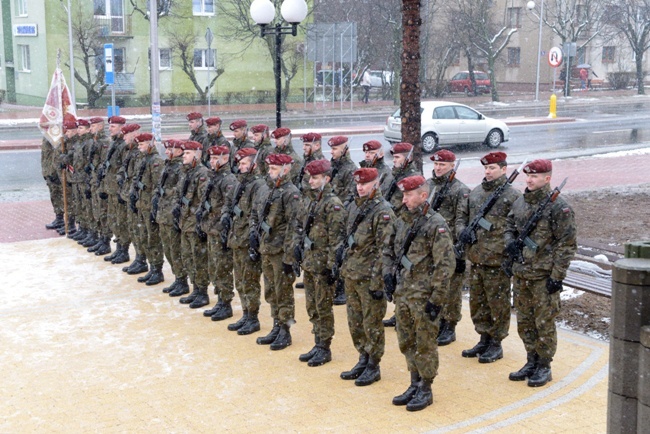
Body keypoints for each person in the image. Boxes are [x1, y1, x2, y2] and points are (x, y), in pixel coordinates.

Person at [505, 159, 577, 387]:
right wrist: (510, 244)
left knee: (543, 323)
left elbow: (566, 245)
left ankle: (544, 365)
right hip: (522, 273)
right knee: (525, 321)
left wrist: (557, 276)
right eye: (528, 176)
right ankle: (531, 360)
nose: (529, 180)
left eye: (535, 176)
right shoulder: (521, 201)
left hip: (543, 276)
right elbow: (509, 225)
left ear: (547, 178)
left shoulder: (558, 207)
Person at [392, 175, 455, 411]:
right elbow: (393, 249)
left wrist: (437, 299)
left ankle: (426, 388)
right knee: (406, 340)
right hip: (404, 292)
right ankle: (414, 381)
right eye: (403, 195)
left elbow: (445, 265)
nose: (404, 199)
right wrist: (389, 276)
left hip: (423, 295)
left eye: (408, 195)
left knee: (425, 343)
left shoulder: (435, 224)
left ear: (423, 195)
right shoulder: (403, 219)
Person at [459, 151, 522, 363]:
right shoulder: (476, 193)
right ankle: (483, 337)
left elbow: (515, 227)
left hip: (497, 259)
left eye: (493, 168)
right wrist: (463, 231)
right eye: (486, 168)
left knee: (498, 303)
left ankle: (496, 343)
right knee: (478, 302)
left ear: (504, 169)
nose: (488, 171)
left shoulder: (512, 196)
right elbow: (463, 217)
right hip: (477, 257)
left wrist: (505, 249)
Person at [339, 168, 395, 387]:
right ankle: (362, 358)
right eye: (358, 184)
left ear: (376, 184)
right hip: (352, 274)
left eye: (365, 183)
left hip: (369, 278)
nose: (360, 187)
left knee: (372, 323)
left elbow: (385, 250)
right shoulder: (354, 206)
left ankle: (374, 364)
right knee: (355, 321)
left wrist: (378, 282)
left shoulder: (383, 211)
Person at [295, 159, 347, 366]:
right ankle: (317, 342)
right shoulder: (311, 200)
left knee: (323, 307)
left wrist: (331, 267)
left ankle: (325, 346)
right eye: (310, 177)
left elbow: (337, 240)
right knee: (312, 306)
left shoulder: (332, 204)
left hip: (322, 265)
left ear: (327, 179)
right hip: (310, 262)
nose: (311, 181)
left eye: (315, 178)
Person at [253, 153, 302, 351]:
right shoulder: (266, 189)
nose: (270, 171)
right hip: (267, 247)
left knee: (283, 292)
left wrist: (289, 256)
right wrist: (254, 235)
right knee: (271, 290)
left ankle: (285, 329)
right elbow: (255, 213)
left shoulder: (291, 193)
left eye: (274, 168)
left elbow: (294, 226)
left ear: (286, 169)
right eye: (269, 168)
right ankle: (276, 324)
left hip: (281, 250)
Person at [426, 150, 470, 346]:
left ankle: (449, 325)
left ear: (452, 166)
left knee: (451, 289)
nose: (438, 168)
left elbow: (462, 220)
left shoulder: (460, 190)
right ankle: (435, 320)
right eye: (436, 164)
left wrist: (460, 254)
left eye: (442, 164)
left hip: (450, 246)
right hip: (429, 245)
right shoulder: (428, 185)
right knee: (432, 285)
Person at [222, 148, 269, 336]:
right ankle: (245, 313)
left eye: (244, 164)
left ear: (254, 165)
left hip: (247, 239)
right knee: (240, 280)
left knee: (249, 281)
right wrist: (225, 215)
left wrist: (252, 238)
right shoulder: (239, 183)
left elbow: (257, 214)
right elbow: (228, 203)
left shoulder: (259, 185)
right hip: (236, 237)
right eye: (239, 163)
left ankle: (253, 317)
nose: (240, 167)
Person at [199, 145, 238, 321]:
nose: (212, 161)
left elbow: (228, 207)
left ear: (225, 158)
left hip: (220, 230)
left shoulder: (228, 180)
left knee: (222, 268)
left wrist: (224, 230)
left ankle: (226, 302)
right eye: (211, 158)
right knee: (214, 267)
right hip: (211, 228)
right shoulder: (213, 177)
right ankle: (220, 301)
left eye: (216, 158)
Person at [174, 140, 211, 308]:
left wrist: (199, 221)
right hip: (185, 221)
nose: (184, 156)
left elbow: (203, 199)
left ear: (197, 154)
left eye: (188, 153)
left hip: (194, 222)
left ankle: (202, 291)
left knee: (199, 259)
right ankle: (195, 288)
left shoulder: (202, 173)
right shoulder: (186, 171)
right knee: (188, 257)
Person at [153, 139, 190, 296]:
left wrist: (166, 192)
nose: (166, 152)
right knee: (168, 248)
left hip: (172, 214)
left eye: (170, 149)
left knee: (176, 249)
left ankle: (182, 280)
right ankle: (177, 277)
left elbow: (180, 190)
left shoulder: (181, 168)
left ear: (179, 151)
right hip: (163, 212)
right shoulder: (167, 165)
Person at [130, 133, 165, 286]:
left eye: (142, 144)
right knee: (144, 236)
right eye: (138, 145)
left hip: (150, 206)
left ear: (151, 143)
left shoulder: (156, 161)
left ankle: (157, 270)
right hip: (141, 204)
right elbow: (136, 179)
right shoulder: (143, 159)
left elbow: (158, 187)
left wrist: (154, 206)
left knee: (153, 238)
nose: (140, 148)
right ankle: (151, 267)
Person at [327, 135, 358, 306]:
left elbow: (351, 195)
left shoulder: (349, 169)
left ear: (345, 149)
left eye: (335, 149)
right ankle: (333, 280)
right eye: (331, 149)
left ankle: (342, 287)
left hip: (341, 215)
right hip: (331, 213)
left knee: (340, 250)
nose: (332, 152)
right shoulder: (333, 166)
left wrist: (339, 209)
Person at [101, 117, 131, 264]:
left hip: (118, 190)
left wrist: (121, 190)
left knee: (121, 221)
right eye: (110, 126)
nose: (110, 128)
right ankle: (119, 249)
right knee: (114, 220)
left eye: (113, 126)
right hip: (111, 188)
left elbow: (125, 169)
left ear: (122, 127)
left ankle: (123, 250)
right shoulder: (114, 143)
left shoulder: (123, 145)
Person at [86, 117, 112, 256]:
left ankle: (106, 241)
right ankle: (101, 238)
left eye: (94, 126)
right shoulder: (94, 141)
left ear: (101, 126)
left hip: (101, 183)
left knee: (103, 212)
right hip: (95, 182)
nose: (91, 128)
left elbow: (104, 165)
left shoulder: (104, 142)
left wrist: (102, 185)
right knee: (96, 211)